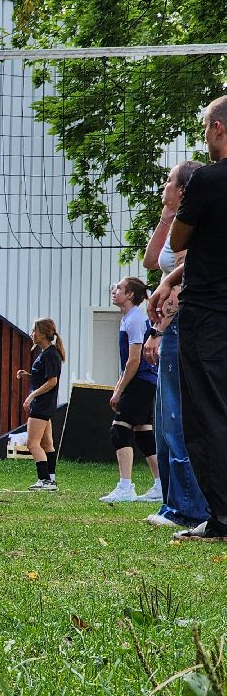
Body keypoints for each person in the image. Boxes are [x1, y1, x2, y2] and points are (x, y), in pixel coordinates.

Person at [168, 95, 227, 539]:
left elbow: (177, 238)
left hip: (208, 313)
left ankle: (222, 517)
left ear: (219, 129)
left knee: (206, 414)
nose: (205, 136)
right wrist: (171, 281)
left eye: (207, 127)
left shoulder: (207, 181)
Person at [143, 160, 210, 530]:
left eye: (169, 182)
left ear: (184, 188)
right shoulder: (177, 221)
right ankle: (174, 503)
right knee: (164, 419)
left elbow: (185, 282)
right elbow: (153, 260)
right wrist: (168, 213)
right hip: (169, 326)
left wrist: (159, 328)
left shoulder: (200, 219)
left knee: (177, 417)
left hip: (181, 323)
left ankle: (188, 507)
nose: (163, 186)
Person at [99, 277, 161, 504]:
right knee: (144, 435)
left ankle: (126, 486)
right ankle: (161, 485)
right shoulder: (128, 318)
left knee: (119, 430)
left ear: (130, 295)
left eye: (119, 289)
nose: (114, 292)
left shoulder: (135, 318)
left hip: (141, 381)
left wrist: (118, 390)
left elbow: (133, 361)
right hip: (142, 381)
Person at [15, 318, 64, 491]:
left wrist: (31, 397)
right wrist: (28, 375)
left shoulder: (51, 354)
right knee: (47, 444)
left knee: (32, 443)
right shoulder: (45, 353)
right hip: (45, 404)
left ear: (42, 334)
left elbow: (52, 381)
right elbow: (43, 377)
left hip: (42, 405)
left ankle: (44, 480)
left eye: (34, 330)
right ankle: (51, 479)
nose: (31, 333)